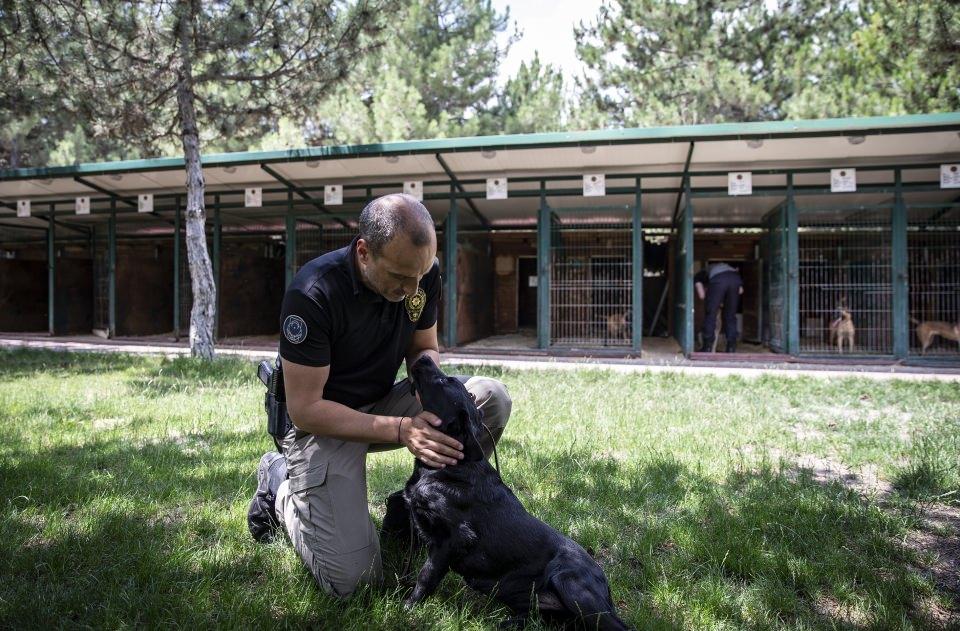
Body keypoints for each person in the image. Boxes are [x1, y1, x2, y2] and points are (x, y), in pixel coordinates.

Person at [247, 193, 512, 597]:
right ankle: (280, 485)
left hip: (384, 402)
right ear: (364, 252)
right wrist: (403, 428)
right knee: (354, 582)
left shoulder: (420, 274)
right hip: (322, 425)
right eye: (401, 277)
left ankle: (413, 509)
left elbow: (424, 348)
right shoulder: (313, 293)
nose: (413, 289)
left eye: (420, 275)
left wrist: (428, 390)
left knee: (489, 397)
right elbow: (305, 410)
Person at [694, 261, 743, 353]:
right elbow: (740, 291)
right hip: (735, 280)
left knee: (711, 314)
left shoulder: (699, 276)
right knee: (730, 315)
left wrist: (713, 299)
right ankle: (731, 348)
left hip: (718, 281)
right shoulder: (730, 270)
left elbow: (701, 295)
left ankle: (707, 347)